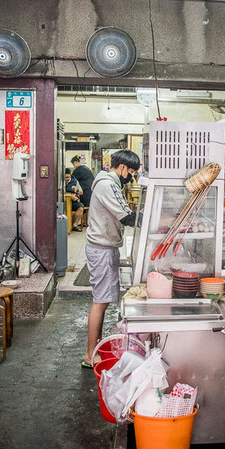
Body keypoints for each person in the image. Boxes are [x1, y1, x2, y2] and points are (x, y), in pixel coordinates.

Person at [82, 150, 140, 368]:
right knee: (100, 302)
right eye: (131, 173)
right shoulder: (108, 185)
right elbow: (126, 216)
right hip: (101, 249)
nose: (131, 177)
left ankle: (93, 349)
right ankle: (90, 354)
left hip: (104, 247)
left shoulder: (109, 182)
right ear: (123, 168)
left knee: (102, 300)